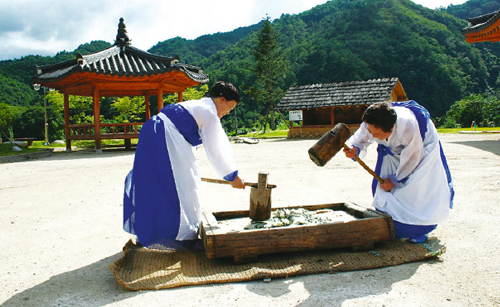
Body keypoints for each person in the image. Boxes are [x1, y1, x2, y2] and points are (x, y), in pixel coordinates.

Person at [123, 81, 245, 249]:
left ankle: (147, 233)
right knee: (184, 184)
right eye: (229, 108)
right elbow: (216, 148)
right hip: (165, 136)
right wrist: (232, 175)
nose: (227, 113)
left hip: (151, 132)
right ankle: (185, 237)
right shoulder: (209, 112)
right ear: (221, 99)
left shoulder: (198, 105)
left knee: (153, 183)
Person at [343, 101, 454, 243]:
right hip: (394, 151)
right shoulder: (372, 119)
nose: (372, 135)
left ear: (391, 129)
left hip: (422, 150)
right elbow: (361, 137)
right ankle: (389, 223)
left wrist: (396, 180)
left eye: (376, 133)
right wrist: (355, 149)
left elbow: (414, 156)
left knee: (417, 189)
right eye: (371, 132)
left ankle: (418, 229)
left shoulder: (408, 124)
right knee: (383, 186)